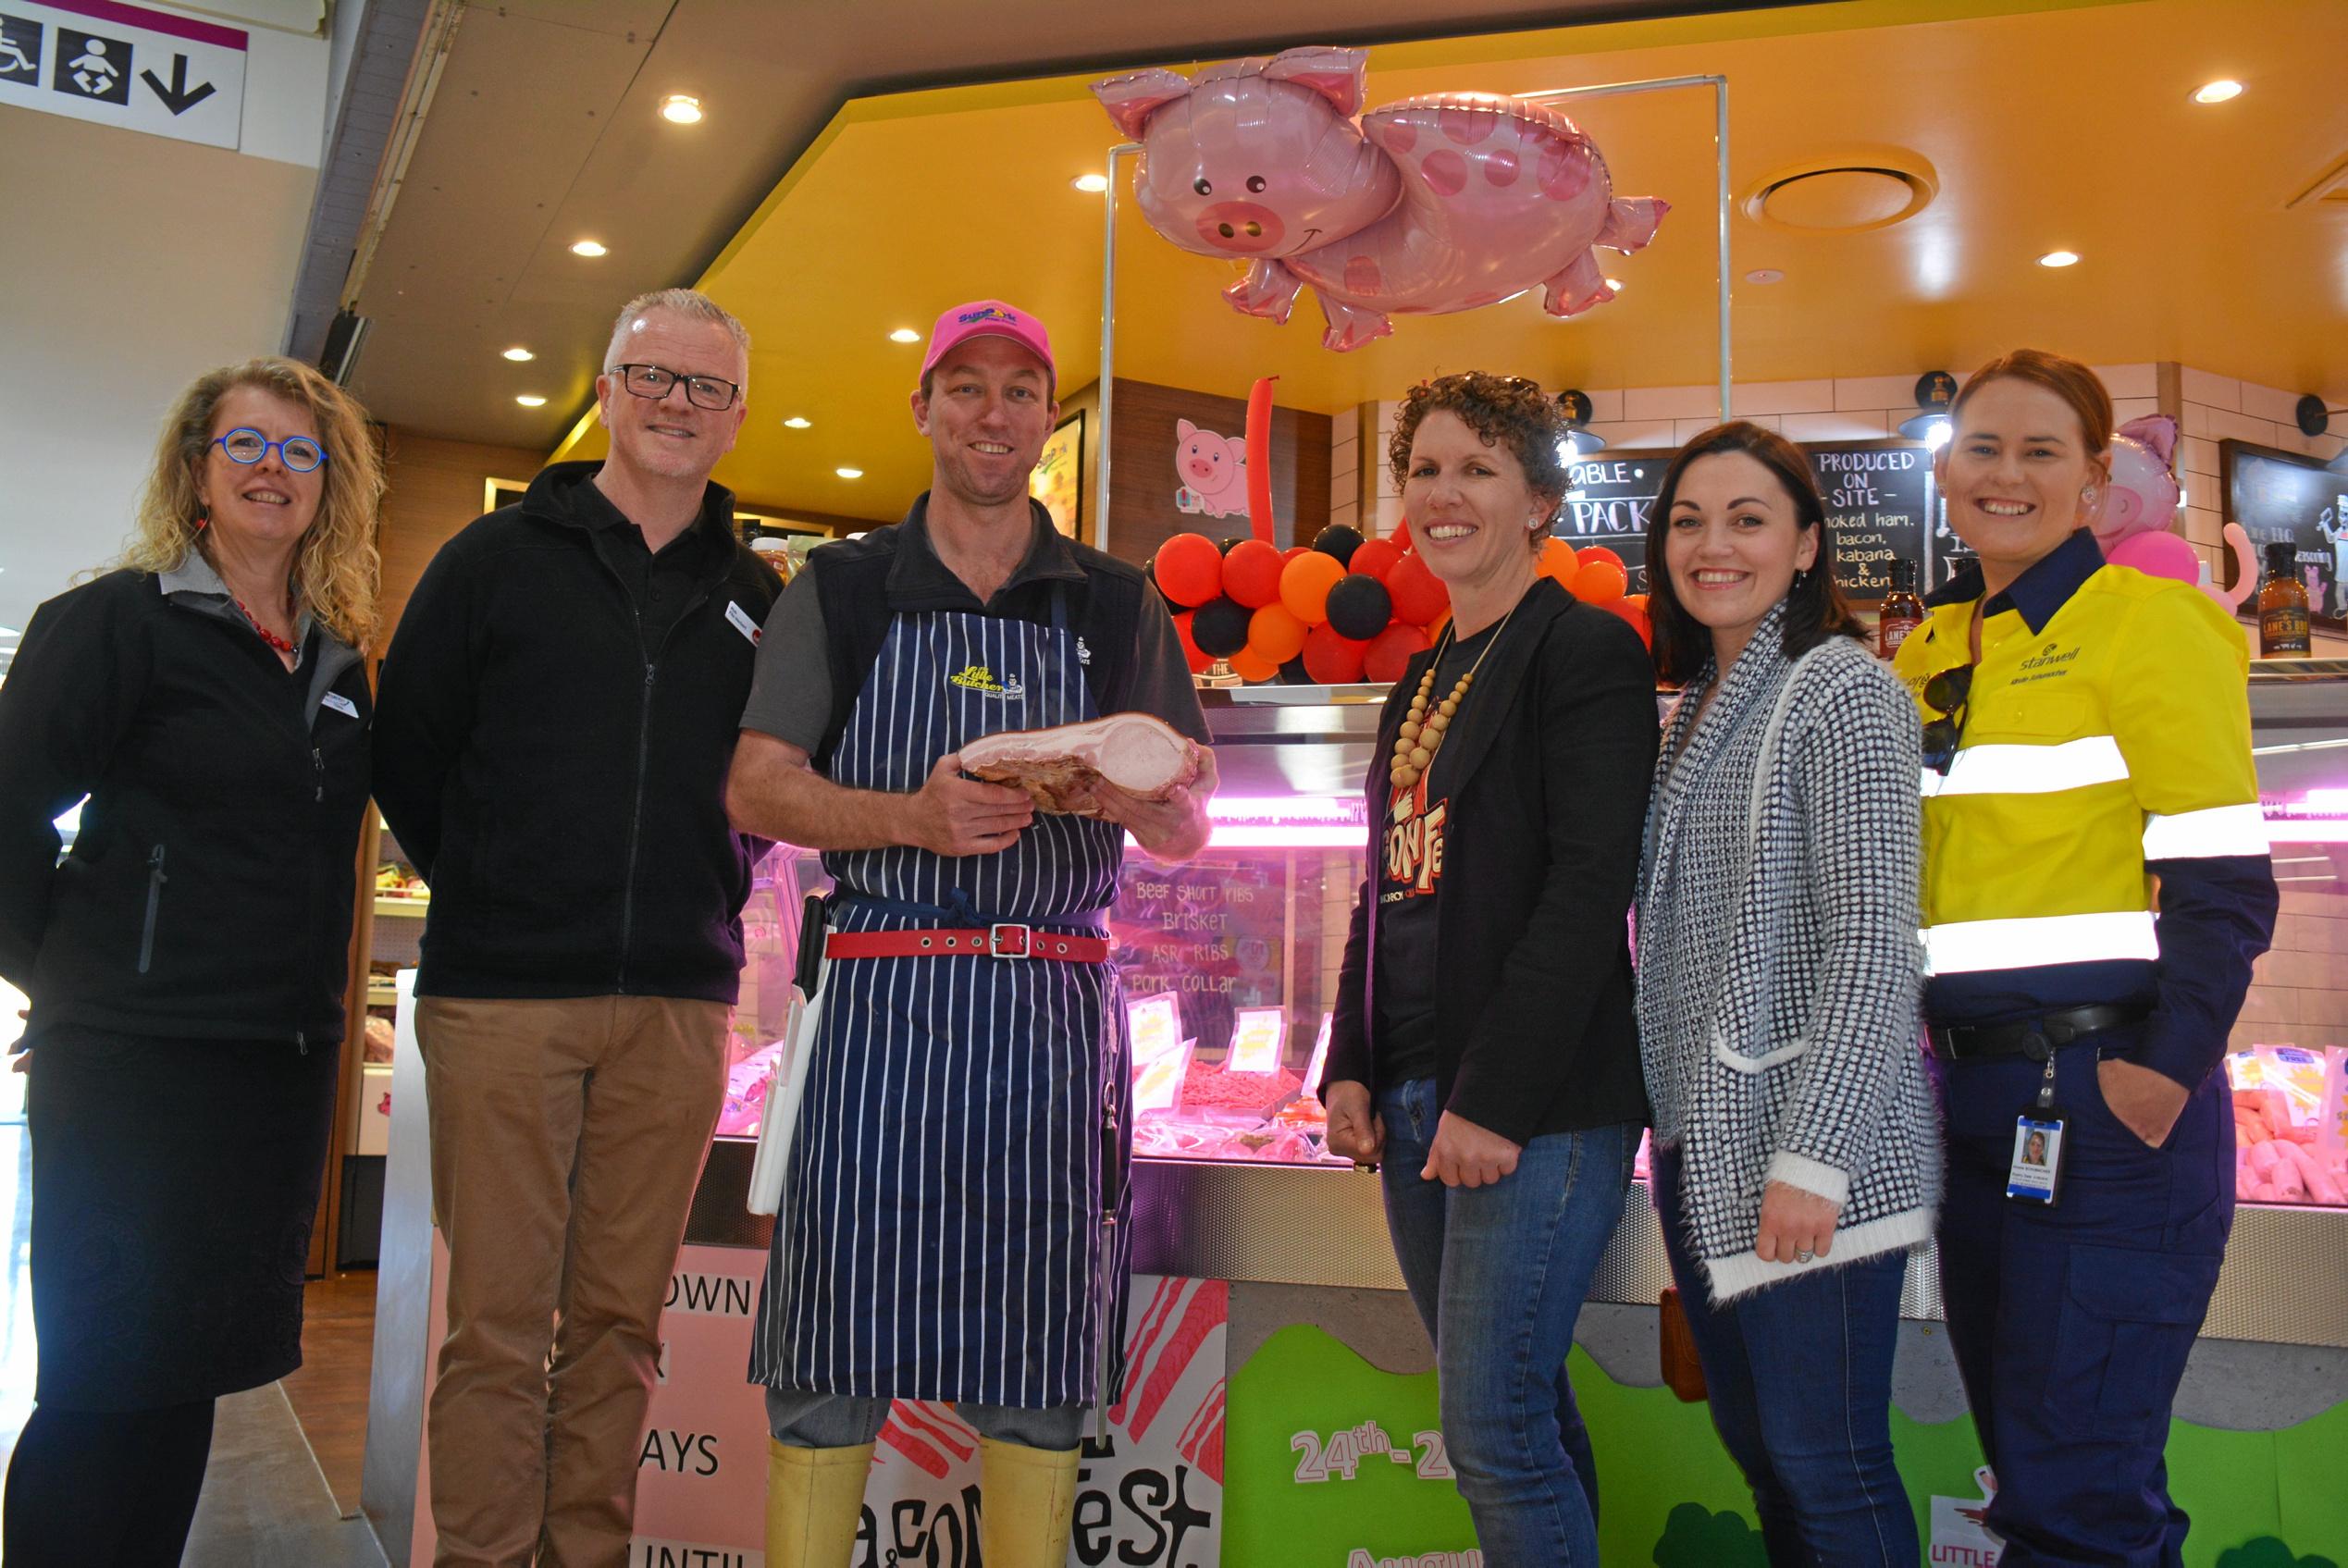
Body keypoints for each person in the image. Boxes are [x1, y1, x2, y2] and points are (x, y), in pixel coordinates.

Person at [726, 299, 1216, 1568]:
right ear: (924, 407)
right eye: (964, 387)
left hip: (1047, 1019)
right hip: (877, 1012)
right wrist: (914, 815)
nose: (990, 413)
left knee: (1038, 1359)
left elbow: (1184, 830)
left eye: (1016, 390)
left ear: (1044, 418)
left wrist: (1131, 797)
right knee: (829, 1348)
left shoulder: (1114, 600)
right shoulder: (837, 588)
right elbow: (756, 785)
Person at [371, 288, 783, 1565]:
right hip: (502, 996)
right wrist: (497, 883)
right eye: (652, 375)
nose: (677, 403)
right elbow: (410, 750)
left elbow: (764, 786)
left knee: (619, 1318)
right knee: (497, 1319)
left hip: (675, 1001)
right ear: (604, 388)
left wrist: (699, 879)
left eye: (707, 386)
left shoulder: (759, 593)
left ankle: (587, 1549)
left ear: (736, 416)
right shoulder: (494, 559)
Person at [0, 358, 383, 1566]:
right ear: (197, 471)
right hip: (135, 1069)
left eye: (300, 450)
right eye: (247, 445)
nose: (274, 468)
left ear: (330, 484)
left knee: (185, 1382)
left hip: (269, 1077)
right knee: (104, 1381)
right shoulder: (115, 620)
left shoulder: (332, 660)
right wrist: (67, 982)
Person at [1896, 349, 2276, 1567]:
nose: (2004, 472)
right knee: (2031, 1474)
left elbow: (2222, 881)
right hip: (1969, 1101)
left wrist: (2159, 1073)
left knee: (2077, 1501)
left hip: (2104, 1102)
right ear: (1946, 471)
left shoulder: (2149, 618)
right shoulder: (1929, 650)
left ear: (2093, 475)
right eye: (1980, 447)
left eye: (2038, 448)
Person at [1318, 373, 1656, 1567]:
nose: (1442, 493)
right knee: (1520, 1409)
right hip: (1415, 1094)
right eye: (1423, 469)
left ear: (1538, 504)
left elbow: (1584, 892)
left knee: (1492, 1425)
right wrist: (1348, 1063)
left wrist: (1492, 1096)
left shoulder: (1583, 647)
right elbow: (1385, 883)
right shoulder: (1421, 676)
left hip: (1537, 1103)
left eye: (1476, 469)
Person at [1634, 421, 1937, 1567]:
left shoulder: (1841, 689)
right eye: (1690, 520)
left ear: (1809, 545)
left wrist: (1816, 1158)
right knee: (1768, 1460)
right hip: (1708, 1151)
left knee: (1831, 1466)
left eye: (1749, 520)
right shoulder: (1705, 702)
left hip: (1805, 1153)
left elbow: (1874, 939)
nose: (1714, 546)